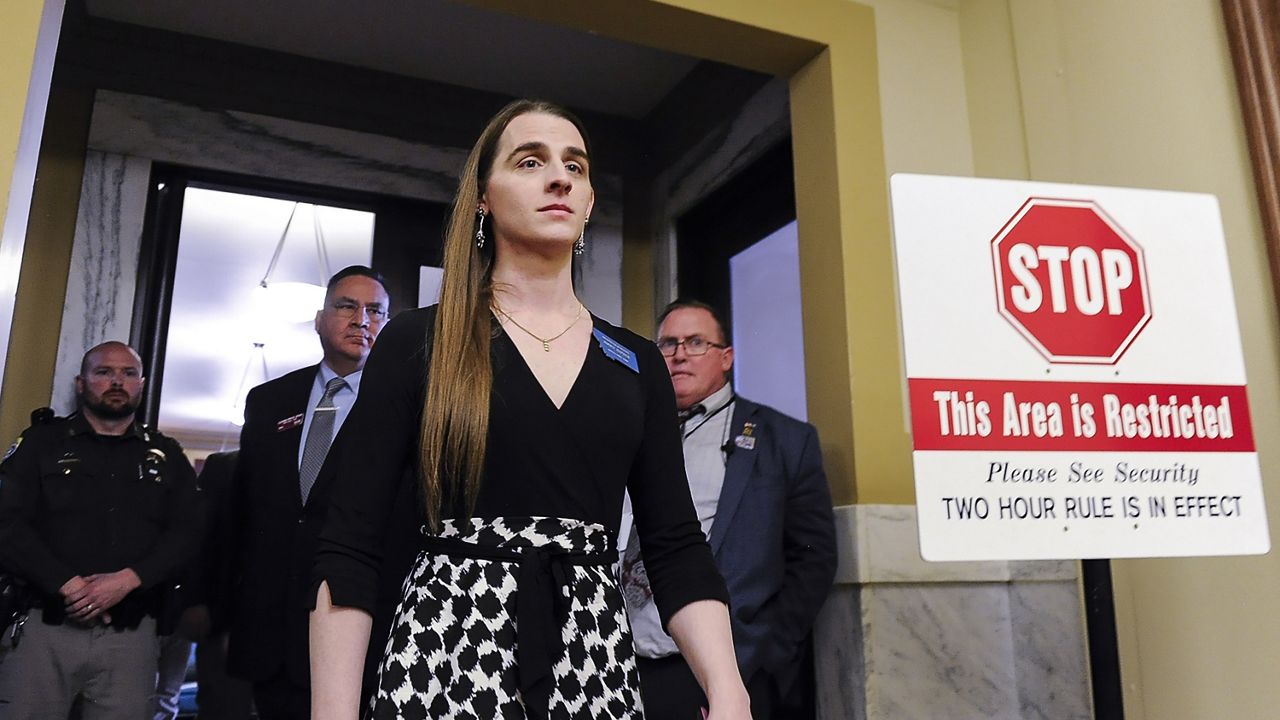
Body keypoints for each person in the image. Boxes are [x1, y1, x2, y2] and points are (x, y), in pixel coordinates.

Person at [309, 99, 752, 720]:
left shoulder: (636, 362)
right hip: (446, 652)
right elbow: (349, 546)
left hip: (592, 658)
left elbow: (675, 544)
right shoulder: (419, 342)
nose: (559, 177)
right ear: (484, 197)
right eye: (529, 161)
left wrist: (728, 688)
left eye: (575, 165)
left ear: (590, 201)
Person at [622, 300, 838, 719]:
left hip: (719, 670)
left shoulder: (785, 440)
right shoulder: (627, 429)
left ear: (727, 357)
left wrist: (764, 653)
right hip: (621, 660)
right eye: (667, 343)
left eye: (696, 342)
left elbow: (813, 561)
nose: (680, 353)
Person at [222, 266, 392, 719]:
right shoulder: (269, 400)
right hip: (269, 625)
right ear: (319, 319)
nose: (362, 319)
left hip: (358, 625)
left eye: (375, 310)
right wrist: (213, 602)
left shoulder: (403, 405)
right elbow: (240, 511)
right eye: (346, 306)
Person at [0, 341, 202, 719]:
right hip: (44, 629)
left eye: (128, 374)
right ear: (80, 383)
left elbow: (189, 533)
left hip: (131, 637)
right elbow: (6, 524)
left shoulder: (165, 454)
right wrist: (68, 584)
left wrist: (128, 580)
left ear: (141, 384)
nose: (117, 382)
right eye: (104, 372)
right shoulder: (39, 444)